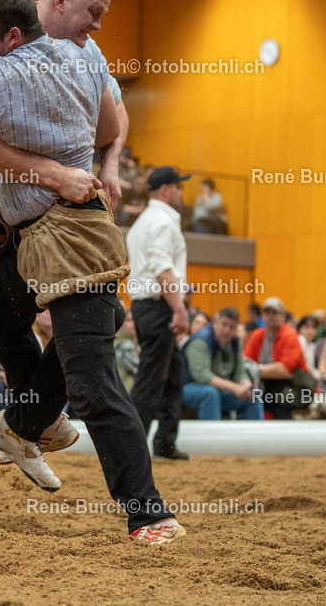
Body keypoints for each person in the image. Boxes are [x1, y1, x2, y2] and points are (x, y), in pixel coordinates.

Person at [0, 0, 181, 544]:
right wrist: (54, 173)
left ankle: (23, 422)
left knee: (92, 320)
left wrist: (109, 162)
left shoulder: (85, 56)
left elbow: (115, 119)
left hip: (27, 228)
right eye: (94, 12)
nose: (100, 24)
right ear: (56, 4)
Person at [126, 166, 191, 460]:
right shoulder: (164, 222)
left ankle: (165, 442)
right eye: (179, 187)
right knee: (151, 380)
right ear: (166, 189)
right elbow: (162, 267)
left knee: (173, 374)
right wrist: (179, 308)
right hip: (159, 306)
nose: (181, 192)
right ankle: (132, 448)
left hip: (146, 305)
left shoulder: (142, 222)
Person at [182, 306, 263, 420]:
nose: (227, 330)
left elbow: (240, 372)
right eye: (224, 324)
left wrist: (247, 386)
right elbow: (203, 377)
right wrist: (235, 388)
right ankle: (212, 437)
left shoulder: (235, 343)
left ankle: (255, 436)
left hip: (220, 389)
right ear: (215, 322)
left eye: (232, 327)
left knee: (254, 395)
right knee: (210, 394)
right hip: (188, 388)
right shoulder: (200, 341)